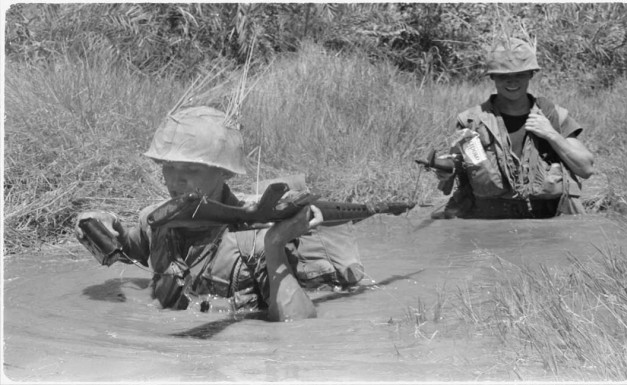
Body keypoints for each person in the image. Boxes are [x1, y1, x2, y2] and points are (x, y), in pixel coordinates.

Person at [75, 106, 364, 321]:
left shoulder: (255, 235)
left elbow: (298, 324)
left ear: (224, 172)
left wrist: (275, 245)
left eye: (191, 169)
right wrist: (104, 224)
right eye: (168, 167)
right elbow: (135, 249)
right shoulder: (156, 219)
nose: (176, 181)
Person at [432, 37, 595, 219]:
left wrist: (551, 134)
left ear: (531, 74)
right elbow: (459, 168)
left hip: (546, 220)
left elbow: (585, 168)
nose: (512, 82)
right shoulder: (472, 121)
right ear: (492, 77)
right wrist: (445, 170)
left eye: (519, 75)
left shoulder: (553, 116)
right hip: (488, 219)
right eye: (503, 76)